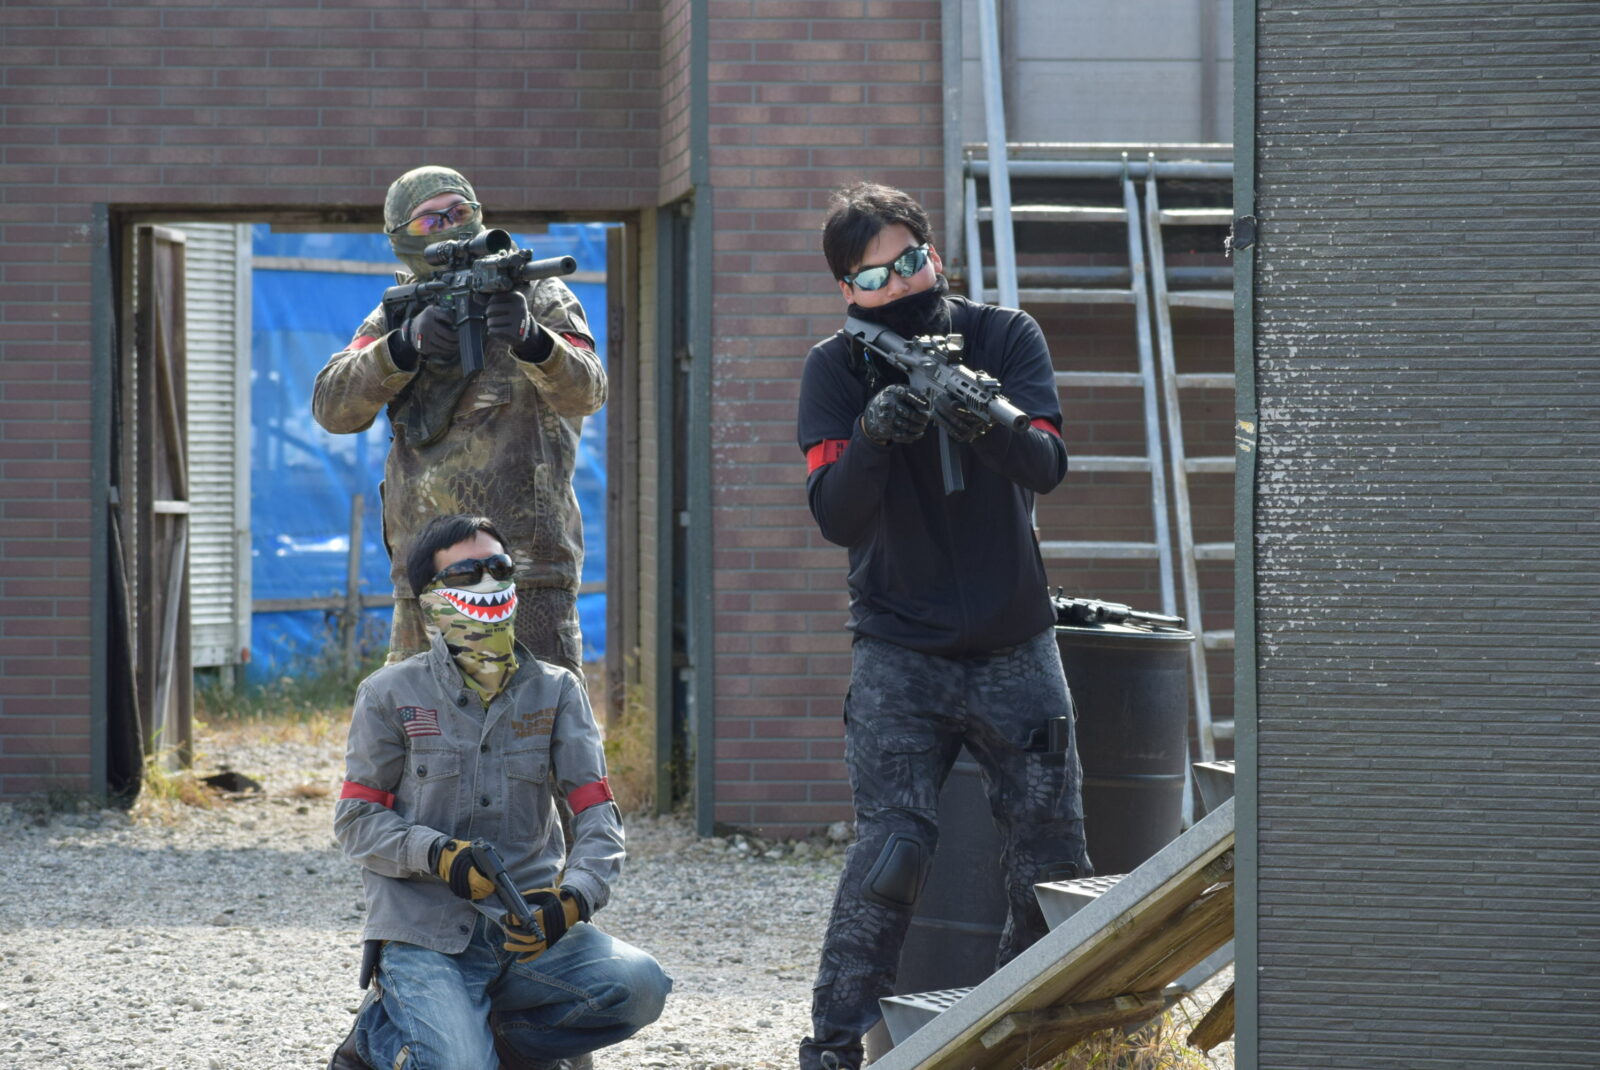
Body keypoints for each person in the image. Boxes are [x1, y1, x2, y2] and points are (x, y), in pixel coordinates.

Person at [794, 182, 1092, 1070]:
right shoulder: (835, 368)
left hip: (1016, 645)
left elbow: (1047, 462)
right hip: (900, 653)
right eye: (874, 275)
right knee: (892, 853)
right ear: (846, 290)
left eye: (912, 260)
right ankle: (834, 1047)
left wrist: (986, 422)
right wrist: (876, 436)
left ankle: (1028, 1039)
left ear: (935, 253)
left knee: (1052, 861)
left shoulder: (1004, 336)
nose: (900, 283)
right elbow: (836, 515)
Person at [328, 514, 670, 1070]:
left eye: (499, 568)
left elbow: (597, 814)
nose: (489, 584)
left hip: (526, 933)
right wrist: (438, 855)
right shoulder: (389, 694)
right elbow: (356, 820)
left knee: (642, 987)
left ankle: (496, 1042)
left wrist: (575, 898)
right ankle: (376, 1040)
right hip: (425, 935)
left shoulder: (557, 691)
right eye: (467, 574)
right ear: (431, 600)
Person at [313, 165, 605, 674]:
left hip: (523, 571)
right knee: (425, 716)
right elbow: (333, 408)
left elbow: (588, 391)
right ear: (400, 237)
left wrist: (533, 340)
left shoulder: (540, 295)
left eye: (460, 212)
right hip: (427, 574)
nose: (449, 225)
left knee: (537, 714)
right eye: (430, 221)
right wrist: (402, 348)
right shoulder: (398, 314)